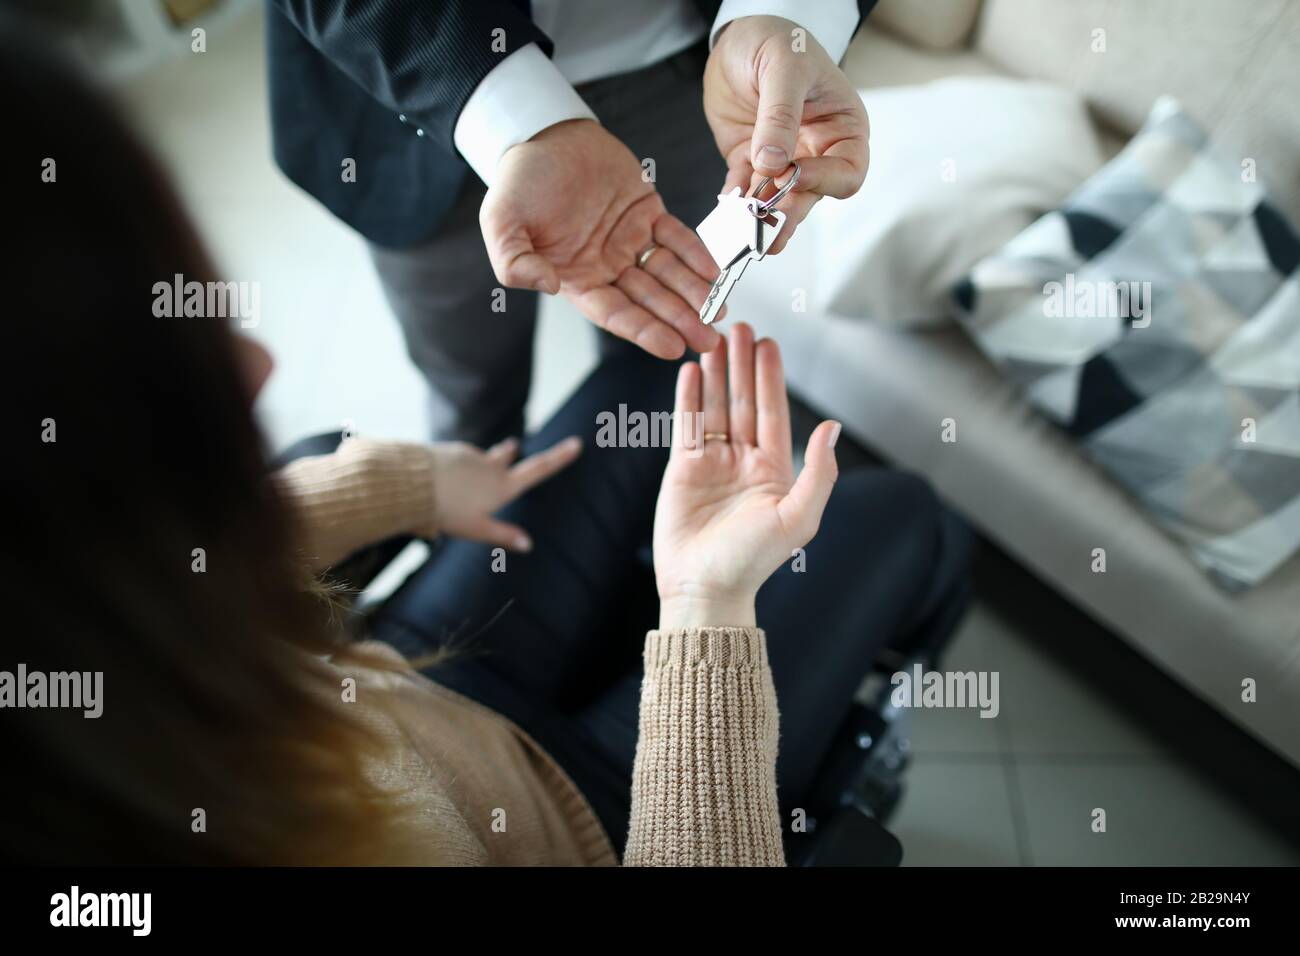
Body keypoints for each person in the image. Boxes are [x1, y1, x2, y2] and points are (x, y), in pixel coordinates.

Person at [4, 31, 970, 866]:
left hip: (415, 674)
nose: (254, 363)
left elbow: (164, 568)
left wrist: (414, 481)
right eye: (161, 362)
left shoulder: (67, 617)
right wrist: (706, 608)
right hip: (598, 821)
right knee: (911, 516)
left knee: (654, 375)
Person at [268, 0, 876, 443]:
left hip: (695, 71)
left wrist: (782, 14)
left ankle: (634, 536)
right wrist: (511, 116)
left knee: (658, 365)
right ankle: (477, 579)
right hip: (414, 101)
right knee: (472, 401)